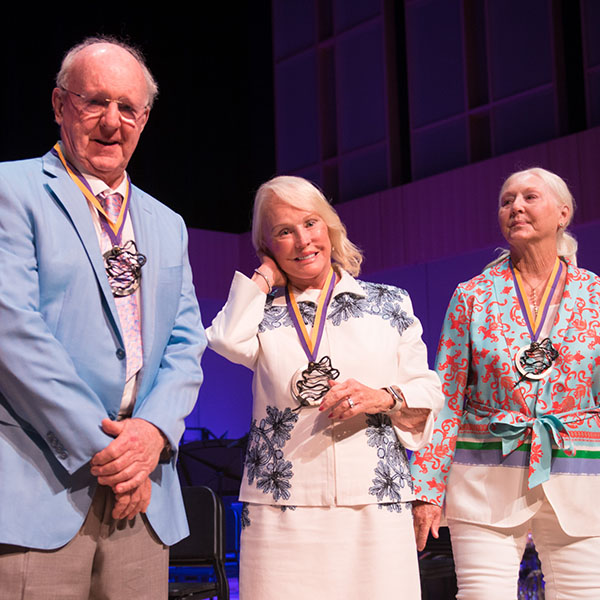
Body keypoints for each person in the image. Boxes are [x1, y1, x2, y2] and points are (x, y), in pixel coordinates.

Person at [0, 37, 206, 599]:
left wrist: (152, 434)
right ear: (59, 105)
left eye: (128, 108)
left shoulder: (168, 224)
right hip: (39, 487)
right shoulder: (10, 190)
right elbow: (12, 332)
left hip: (144, 498)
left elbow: (187, 345)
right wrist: (113, 453)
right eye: (95, 102)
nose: (112, 121)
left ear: (144, 119)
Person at [207, 175, 443, 599]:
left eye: (311, 223)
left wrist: (384, 397)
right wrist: (261, 278)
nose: (302, 240)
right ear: (268, 246)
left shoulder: (388, 302)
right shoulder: (263, 314)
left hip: (374, 501)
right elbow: (223, 339)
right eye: (284, 231)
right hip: (280, 508)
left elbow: (426, 389)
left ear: (330, 228)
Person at [410, 167, 600, 599]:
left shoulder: (595, 296)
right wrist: (426, 489)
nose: (515, 206)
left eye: (529, 197)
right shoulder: (473, 295)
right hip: (484, 480)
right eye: (506, 200)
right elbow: (447, 399)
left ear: (563, 214)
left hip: (582, 479)